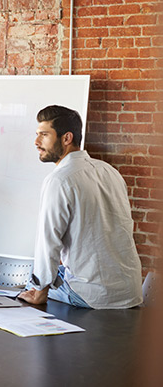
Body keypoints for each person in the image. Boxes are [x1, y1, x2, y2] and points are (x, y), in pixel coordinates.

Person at [18, 105, 142, 309]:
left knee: (29, 280)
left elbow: (48, 241)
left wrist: (40, 292)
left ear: (66, 138)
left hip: (92, 296)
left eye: (44, 135)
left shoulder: (59, 180)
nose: (36, 142)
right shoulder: (109, 171)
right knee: (48, 272)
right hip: (129, 291)